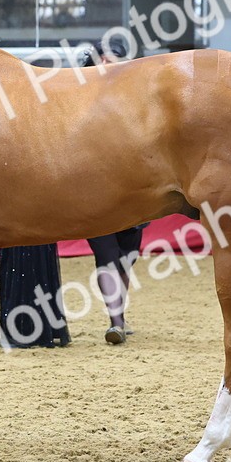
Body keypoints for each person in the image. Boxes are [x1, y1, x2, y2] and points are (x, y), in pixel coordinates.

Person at [81, 36, 146, 345]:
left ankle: (119, 314)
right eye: (104, 59)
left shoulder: (137, 97)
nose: (108, 65)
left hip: (133, 191)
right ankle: (116, 320)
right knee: (107, 256)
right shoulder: (78, 96)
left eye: (113, 60)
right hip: (93, 192)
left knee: (127, 255)